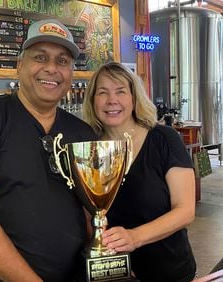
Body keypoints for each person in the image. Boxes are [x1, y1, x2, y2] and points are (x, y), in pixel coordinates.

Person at [0, 19, 97, 281]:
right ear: (19, 66)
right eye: (40, 57)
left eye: (62, 61)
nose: (51, 69)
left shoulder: (82, 132)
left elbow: (90, 212)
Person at [82, 62, 197, 281]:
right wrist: (108, 261)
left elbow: (185, 210)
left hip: (169, 271)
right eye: (102, 92)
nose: (111, 100)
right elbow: (88, 217)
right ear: (92, 100)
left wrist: (134, 237)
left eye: (121, 92)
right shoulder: (88, 148)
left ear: (134, 98)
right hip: (115, 274)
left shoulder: (163, 139)